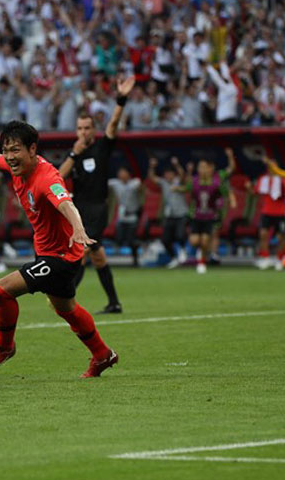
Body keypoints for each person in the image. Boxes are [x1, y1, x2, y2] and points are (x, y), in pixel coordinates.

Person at [0, 121, 118, 378]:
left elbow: (65, 203)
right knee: (67, 309)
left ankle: (4, 347)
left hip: (61, 257)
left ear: (32, 149)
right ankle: (102, 355)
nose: (10, 157)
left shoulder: (47, 177)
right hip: (50, 253)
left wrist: (78, 227)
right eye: (7, 150)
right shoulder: (15, 166)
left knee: (2, 290)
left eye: (16, 150)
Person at [58, 75, 136, 314]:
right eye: (79, 128)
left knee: (80, 252)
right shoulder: (75, 153)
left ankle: (65, 301)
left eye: (87, 128)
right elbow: (58, 179)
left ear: (94, 130)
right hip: (79, 209)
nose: (83, 132)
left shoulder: (102, 146)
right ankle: (114, 303)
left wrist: (121, 99)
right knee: (98, 257)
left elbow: (113, 124)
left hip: (97, 208)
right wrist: (73, 153)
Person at [183, 148, 236, 274]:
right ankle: (205, 252)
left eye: (205, 167)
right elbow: (188, 190)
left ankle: (209, 255)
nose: (203, 169)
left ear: (211, 167)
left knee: (211, 234)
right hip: (198, 213)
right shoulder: (196, 181)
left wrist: (230, 156)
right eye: (201, 167)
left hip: (214, 211)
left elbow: (231, 169)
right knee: (196, 240)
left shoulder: (219, 176)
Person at [146, 157, 188, 269]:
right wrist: (152, 166)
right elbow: (152, 177)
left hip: (181, 214)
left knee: (180, 235)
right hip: (169, 215)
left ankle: (183, 251)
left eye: (170, 174)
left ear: (174, 174)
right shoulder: (163, 182)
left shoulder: (178, 181)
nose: (168, 176)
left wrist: (177, 164)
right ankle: (174, 258)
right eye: (166, 174)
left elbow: (182, 174)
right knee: (165, 239)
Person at [252, 163, 285, 270]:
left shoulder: (283, 178)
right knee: (263, 234)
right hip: (266, 212)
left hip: (281, 212)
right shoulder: (262, 179)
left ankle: (280, 259)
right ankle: (265, 258)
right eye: (270, 167)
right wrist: (249, 187)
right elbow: (255, 192)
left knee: (281, 236)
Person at [108, 167, 142, 267]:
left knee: (132, 240)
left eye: (123, 173)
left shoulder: (135, 183)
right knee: (118, 239)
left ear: (128, 174)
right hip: (121, 216)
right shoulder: (115, 183)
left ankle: (135, 260)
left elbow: (141, 188)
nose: (121, 175)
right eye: (120, 173)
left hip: (132, 216)